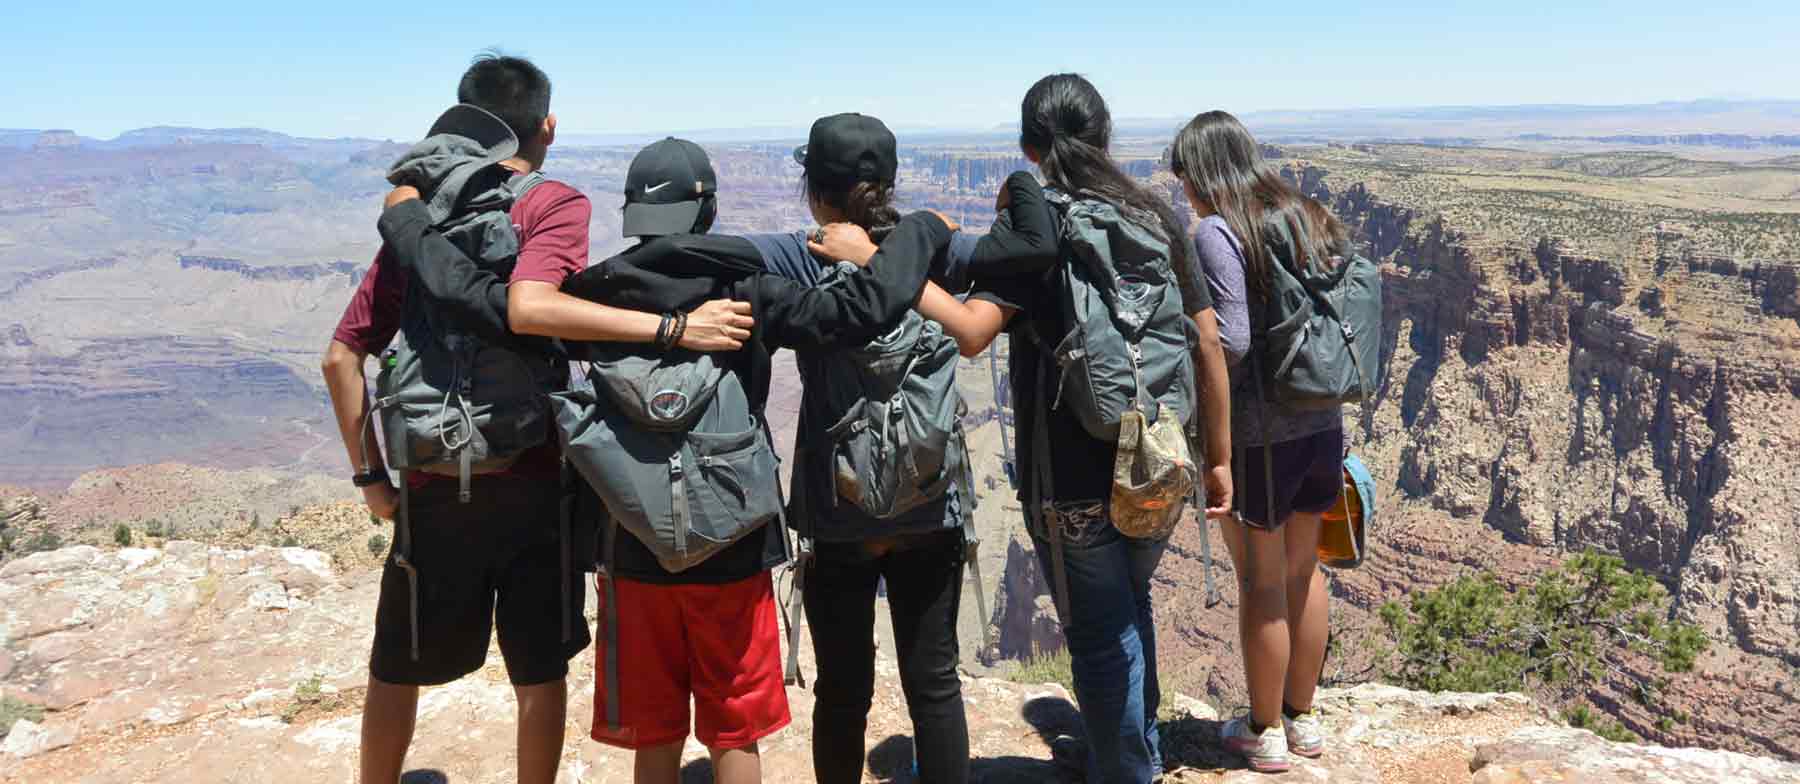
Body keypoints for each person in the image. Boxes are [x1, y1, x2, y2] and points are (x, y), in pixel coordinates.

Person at [384, 133, 959, 784]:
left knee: (653, 732)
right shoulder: (745, 290)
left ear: (631, 212)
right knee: (734, 729)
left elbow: (467, 294)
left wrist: (406, 218)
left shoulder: (588, 297)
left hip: (630, 546)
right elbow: (862, 308)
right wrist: (917, 231)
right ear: (706, 210)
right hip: (734, 547)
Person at [321, 55, 751, 784]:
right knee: (537, 662)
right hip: (532, 477)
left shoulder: (416, 218)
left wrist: (371, 477)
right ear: (547, 124)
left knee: (397, 657)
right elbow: (536, 306)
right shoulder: (552, 204)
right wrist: (674, 330)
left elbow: (341, 358)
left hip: (430, 479)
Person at [819, 74, 1234, 784]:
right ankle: (1134, 755)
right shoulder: (1156, 218)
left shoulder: (1039, 237)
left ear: (1027, 149)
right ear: (1104, 136)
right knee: (1130, 608)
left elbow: (972, 332)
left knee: (1101, 639)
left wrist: (878, 263)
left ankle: (1125, 772)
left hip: (1071, 476)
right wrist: (1218, 457)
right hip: (1160, 453)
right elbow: (1207, 344)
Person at [743, 113, 1054, 784]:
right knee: (934, 684)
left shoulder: (800, 253)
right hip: (929, 501)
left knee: (842, 691)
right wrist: (961, 211)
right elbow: (1033, 243)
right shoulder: (940, 255)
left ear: (814, 190)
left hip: (837, 507)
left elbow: (699, 251)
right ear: (887, 185)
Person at [1168, 110, 1350, 774]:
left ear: (1203, 171)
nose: (1181, 189)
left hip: (1261, 438)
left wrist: (1195, 368)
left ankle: (1263, 731)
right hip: (1323, 421)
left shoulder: (1219, 230)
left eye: (1183, 174)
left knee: (1260, 581)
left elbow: (1234, 340)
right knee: (1306, 571)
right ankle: (1303, 721)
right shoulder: (1306, 214)